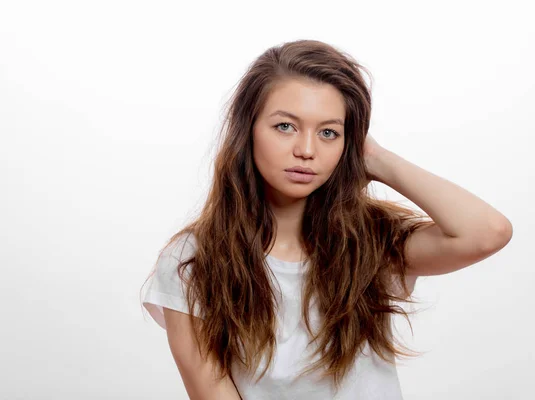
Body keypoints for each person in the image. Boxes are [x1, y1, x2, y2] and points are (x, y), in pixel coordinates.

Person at [140, 39, 513, 400]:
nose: (306, 150)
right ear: (247, 129)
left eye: (329, 132)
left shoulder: (372, 241)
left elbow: (487, 233)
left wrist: (375, 159)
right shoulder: (192, 261)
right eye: (285, 126)